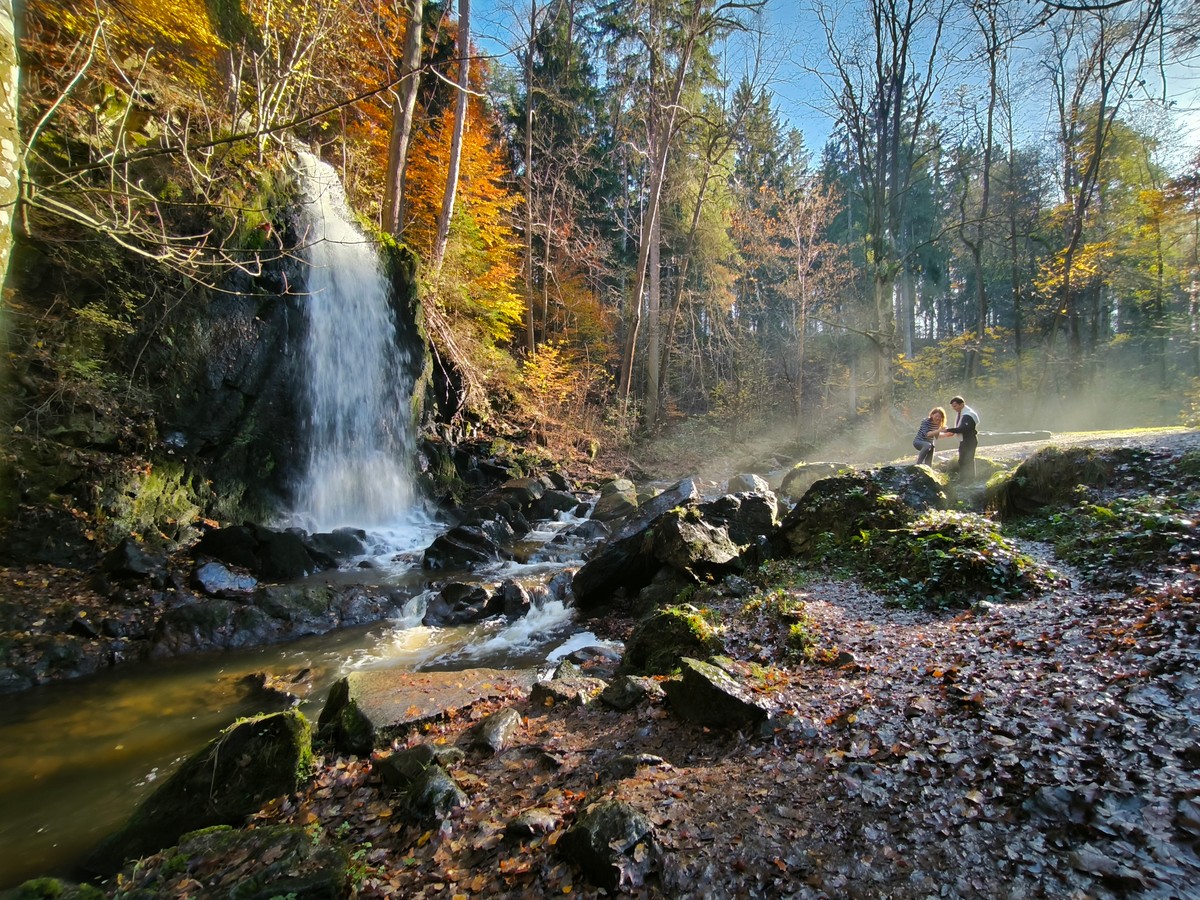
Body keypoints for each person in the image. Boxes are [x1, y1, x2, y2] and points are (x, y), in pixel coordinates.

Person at [943, 396, 980, 480]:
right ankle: (964, 478)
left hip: (969, 441)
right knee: (962, 460)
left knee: (968, 460)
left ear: (962, 404)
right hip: (964, 440)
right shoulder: (962, 413)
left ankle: (969, 479)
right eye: (953, 406)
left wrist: (948, 430)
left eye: (955, 406)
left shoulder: (967, 415)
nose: (954, 408)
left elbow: (963, 429)